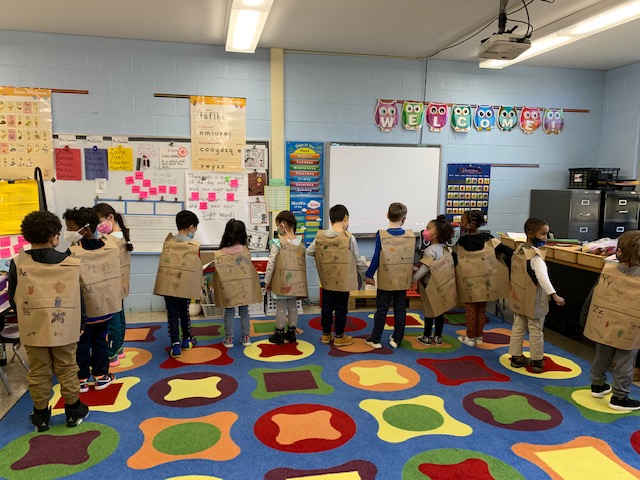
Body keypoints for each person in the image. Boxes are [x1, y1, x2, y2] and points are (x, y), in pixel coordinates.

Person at [8, 210, 89, 431]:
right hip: (65, 326)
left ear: (27, 236)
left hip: (33, 327)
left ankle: (41, 415)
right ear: (54, 236)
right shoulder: (70, 262)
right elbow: (78, 297)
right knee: (67, 367)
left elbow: (14, 298)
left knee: (38, 371)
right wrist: (81, 323)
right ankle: (73, 410)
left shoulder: (17, 263)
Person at [64, 207, 120, 392]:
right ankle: (101, 375)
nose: (68, 232)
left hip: (83, 310)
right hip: (104, 307)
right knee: (100, 341)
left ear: (85, 229)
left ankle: (81, 378)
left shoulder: (72, 251)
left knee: (82, 343)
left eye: (71, 228)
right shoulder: (109, 247)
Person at [583, 230, 640, 411]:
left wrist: (584, 317)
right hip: (631, 328)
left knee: (602, 355)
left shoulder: (609, 269)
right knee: (625, 361)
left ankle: (597, 385)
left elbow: (594, 295)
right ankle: (619, 397)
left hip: (604, 322)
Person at [508, 217, 564, 373]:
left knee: (518, 327)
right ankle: (537, 360)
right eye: (543, 234)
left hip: (518, 297)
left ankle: (516, 357)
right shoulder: (535, 256)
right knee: (536, 330)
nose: (545, 238)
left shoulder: (519, 250)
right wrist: (554, 295)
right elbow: (543, 278)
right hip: (533, 300)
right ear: (530, 233)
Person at [307, 204, 368, 347]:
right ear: (345, 218)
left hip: (327, 280)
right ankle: (339, 336)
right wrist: (366, 274)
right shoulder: (349, 237)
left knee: (326, 307)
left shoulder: (321, 237)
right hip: (343, 280)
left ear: (331, 220)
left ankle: (326, 334)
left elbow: (309, 252)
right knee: (341, 308)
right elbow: (358, 259)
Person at [454, 209, 513, 347]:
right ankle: (479, 336)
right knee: (482, 308)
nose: (460, 224)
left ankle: (470, 337)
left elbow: (453, 259)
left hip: (468, 282)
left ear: (470, 225)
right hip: (486, 282)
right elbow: (507, 251)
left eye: (462, 221)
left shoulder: (462, 241)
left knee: (470, 308)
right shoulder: (488, 238)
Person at [363, 202, 415, 349]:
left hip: (386, 280)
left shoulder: (382, 235)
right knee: (400, 308)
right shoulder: (409, 236)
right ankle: (397, 339)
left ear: (387, 216)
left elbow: (376, 257)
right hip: (402, 280)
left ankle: (376, 339)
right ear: (404, 219)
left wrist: (369, 275)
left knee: (382, 309)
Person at [93, 202, 133, 367]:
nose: (98, 227)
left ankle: (111, 354)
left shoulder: (109, 241)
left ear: (110, 218)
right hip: (120, 285)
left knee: (113, 321)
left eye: (99, 222)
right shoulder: (122, 236)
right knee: (120, 317)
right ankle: (119, 348)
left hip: (111, 286)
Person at [156, 210, 199, 358]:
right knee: (184, 312)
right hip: (185, 286)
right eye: (195, 229)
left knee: (172, 314)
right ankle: (186, 340)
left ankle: (175, 344)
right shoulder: (193, 245)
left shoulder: (168, 242)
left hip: (169, 285)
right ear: (191, 227)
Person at [215, 219, 261, 348]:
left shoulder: (221, 253)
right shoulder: (245, 251)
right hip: (244, 288)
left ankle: (229, 339)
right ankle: (246, 337)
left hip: (228, 288)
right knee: (244, 310)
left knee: (229, 311)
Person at [265, 211, 307, 344]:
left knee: (281, 307)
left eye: (277, 225)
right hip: (296, 282)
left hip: (281, 282)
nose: (277, 228)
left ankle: (279, 333)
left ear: (282, 225)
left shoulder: (277, 242)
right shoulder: (300, 242)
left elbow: (271, 263)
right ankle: (291, 332)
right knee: (293, 306)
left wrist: (267, 281)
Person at [414, 215, 456, 346]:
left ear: (436, 233)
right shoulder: (445, 248)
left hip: (429, 284)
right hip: (442, 284)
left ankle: (426, 336)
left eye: (428, 228)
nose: (425, 231)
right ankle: (438, 336)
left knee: (429, 311)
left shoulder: (430, 250)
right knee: (440, 310)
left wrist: (413, 278)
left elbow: (425, 267)